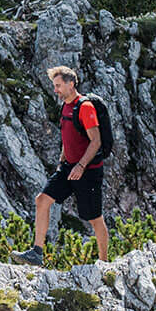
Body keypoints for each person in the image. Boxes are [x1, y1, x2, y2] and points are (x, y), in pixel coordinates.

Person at [16, 66, 109, 264]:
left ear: (71, 84)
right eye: (54, 86)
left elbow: (96, 141)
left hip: (88, 171)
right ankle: (36, 252)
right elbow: (69, 137)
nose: (55, 90)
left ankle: (104, 263)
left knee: (94, 219)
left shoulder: (85, 107)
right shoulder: (65, 106)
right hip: (68, 167)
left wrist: (81, 166)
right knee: (42, 200)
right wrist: (62, 161)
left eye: (58, 86)